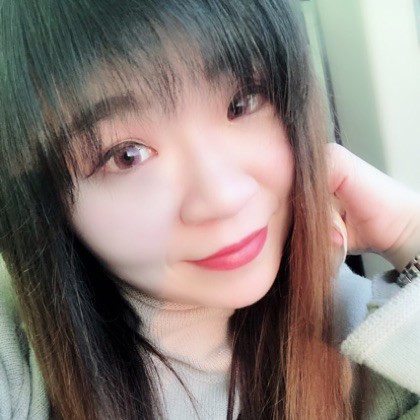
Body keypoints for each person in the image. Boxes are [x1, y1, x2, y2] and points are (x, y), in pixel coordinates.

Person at [0, 0, 418, 419]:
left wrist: (408, 235)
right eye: (127, 155)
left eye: (243, 102)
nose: (224, 197)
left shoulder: (374, 336)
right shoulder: (18, 358)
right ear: (47, 198)